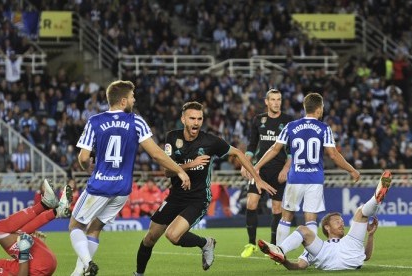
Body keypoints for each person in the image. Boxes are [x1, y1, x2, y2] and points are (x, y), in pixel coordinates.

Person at [134, 101, 277, 276]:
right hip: (175, 196)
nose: (196, 122)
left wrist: (257, 178)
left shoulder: (210, 141)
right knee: (149, 238)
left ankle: (205, 243)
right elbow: (167, 172)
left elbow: (238, 153)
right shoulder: (172, 137)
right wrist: (190, 165)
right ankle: (138, 274)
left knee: (172, 236)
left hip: (198, 198)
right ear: (183, 119)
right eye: (192, 118)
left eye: (199, 119)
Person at [69, 80, 190, 276]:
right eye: (132, 97)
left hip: (100, 185)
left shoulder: (95, 121)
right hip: (123, 189)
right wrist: (179, 170)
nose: (134, 100)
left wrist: (87, 165)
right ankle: (78, 272)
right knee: (94, 229)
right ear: (123, 101)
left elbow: (83, 157)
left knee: (75, 225)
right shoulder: (136, 121)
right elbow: (157, 154)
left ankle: (88, 263)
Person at [254, 92, 360, 245]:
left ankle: (279, 253)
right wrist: (351, 169)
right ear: (319, 109)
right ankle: (310, 256)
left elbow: (274, 149)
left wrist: (257, 166)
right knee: (310, 219)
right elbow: (333, 155)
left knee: (286, 217)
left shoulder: (291, 126)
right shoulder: (324, 128)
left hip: (295, 178)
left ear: (305, 108)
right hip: (314, 180)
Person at [258, 170, 392, 270]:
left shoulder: (351, 241)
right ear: (327, 227)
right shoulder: (317, 247)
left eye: (342, 221)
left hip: (348, 249)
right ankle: (280, 250)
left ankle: (376, 198)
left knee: (361, 211)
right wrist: (284, 262)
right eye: (337, 221)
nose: (342, 223)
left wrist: (371, 235)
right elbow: (300, 265)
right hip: (325, 252)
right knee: (302, 230)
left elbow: (366, 257)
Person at [0, 180, 72, 275]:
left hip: (39, 265)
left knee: (18, 232)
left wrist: (32, 247)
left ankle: (56, 211)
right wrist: (24, 251)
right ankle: (46, 205)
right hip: (37, 267)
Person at [240, 88, 293, 257]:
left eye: (279, 99)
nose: (276, 102)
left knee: (277, 208)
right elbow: (252, 145)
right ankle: (250, 244)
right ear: (267, 102)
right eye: (273, 99)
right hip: (259, 170)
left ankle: (273, 246)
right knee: (251, 203)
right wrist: (245, 162)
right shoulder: (258, 120)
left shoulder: (288, 121)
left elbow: (292, 151)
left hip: (278, 172)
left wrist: (286, 168)